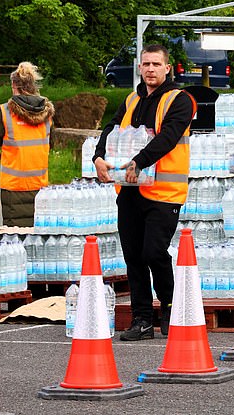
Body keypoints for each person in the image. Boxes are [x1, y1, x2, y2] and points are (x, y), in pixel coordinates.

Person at [93, 44, 197, 341]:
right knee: (133, 256)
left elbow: (167, 137)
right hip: (129, 190)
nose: (150, 69)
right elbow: (110, 128)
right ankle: (141, 318)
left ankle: (170, 305)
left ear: (168, 68)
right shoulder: (131, 99)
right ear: (140, 68)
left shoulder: (181, 100)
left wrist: (138, 162)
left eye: (156, 64)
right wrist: (98, 156)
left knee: (153, 251)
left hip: (164, 192)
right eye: (146, 64)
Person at [0, 62, 55, 227]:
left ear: (13, 85)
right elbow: (51, 143)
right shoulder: (48, 114)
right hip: (40, 186)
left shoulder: (5, 112)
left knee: (15, 238)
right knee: (38, 237)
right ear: (33, 85)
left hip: (13, 187)